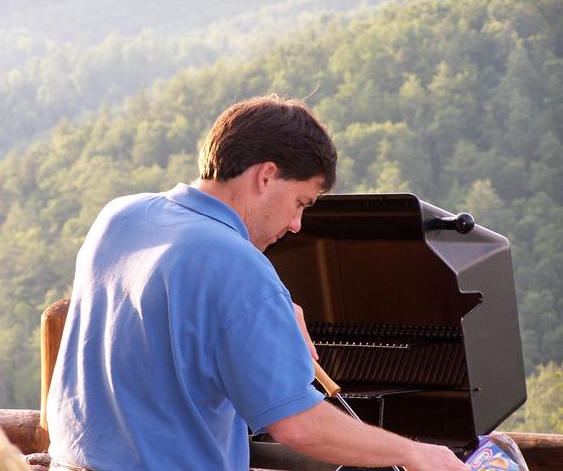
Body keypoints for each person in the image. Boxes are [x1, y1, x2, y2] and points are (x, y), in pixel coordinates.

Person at [46, 95, 468, 471]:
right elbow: (298, 426)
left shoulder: (120, 216)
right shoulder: (236, 262)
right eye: (301, 202)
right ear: (266, 176)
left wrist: (272, 315)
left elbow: (166, 321)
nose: (297, 224)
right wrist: (415, 453)